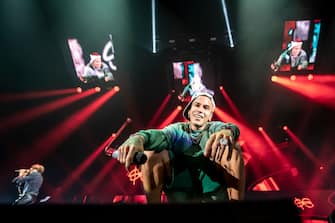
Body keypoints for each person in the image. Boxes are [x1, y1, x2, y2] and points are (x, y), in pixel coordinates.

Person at [116, 91, 245, 203]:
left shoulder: (214, 128)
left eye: (206, 107)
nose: (200, 110)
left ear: (210, 116)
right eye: (197, 105)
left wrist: (228, 132)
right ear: (189, 111)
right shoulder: (177, 130)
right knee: (152, 154)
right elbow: (160, 135)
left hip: (213, 193)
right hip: (180, 193)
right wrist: (139, 138)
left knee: (233, 148)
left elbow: (229, 128)